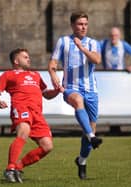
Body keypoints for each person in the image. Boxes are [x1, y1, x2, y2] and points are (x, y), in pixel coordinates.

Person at [0, 48, 61, 183]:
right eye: (25, 57)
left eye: (28, 56)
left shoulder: (36, 75)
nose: (29, 59)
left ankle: (18, 167)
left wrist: (57, 91)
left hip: (37, 114)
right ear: (16, 61)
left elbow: (46, 94)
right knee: (23, 132)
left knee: (47, 146)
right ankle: (10, 168)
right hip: (22, 108)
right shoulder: (8, 75)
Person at [48, 11, 103, 180]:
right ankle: (93, 137)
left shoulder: (93, 43)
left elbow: (96, 60)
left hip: (91, 90)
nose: (83, 27)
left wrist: (82, 48)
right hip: (71, 87)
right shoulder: (63, 41)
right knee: (77, 101)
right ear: (72, 25)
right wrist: (54, 77)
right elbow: (53, 64)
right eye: (80, 24)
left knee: (89, 130)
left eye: (85, 24)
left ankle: (82, 161)